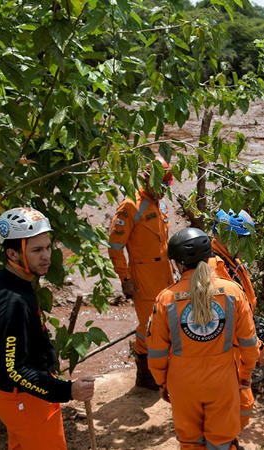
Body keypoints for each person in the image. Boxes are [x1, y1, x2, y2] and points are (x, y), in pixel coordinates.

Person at [0, 207, 95, 450]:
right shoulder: (13, 302)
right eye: (36, 250)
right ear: (12, 253)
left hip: (13, 395)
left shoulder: (3, 280)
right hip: (24, 399)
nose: (46, 256)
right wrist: (67, 390)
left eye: (47, 247)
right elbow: (15, 369)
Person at [147, 227, 259, 450]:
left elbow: (156, 352)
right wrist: (244, 377)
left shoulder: (166, 299)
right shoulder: (232, 292)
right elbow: (249, 344)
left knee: (190, 442)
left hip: (183, 385)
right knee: (222, 442)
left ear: (179, 263)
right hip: (223, 383)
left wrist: (162, 382)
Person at [108, 160, 175, 389]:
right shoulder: (130, 206)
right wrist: (125, 278)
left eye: (166, 186)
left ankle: (161, 370)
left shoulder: (161, 204)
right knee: (148, 325)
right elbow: (115, 247)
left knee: (166, 321)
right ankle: (146, 377)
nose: (162, 191)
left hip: (165, 274)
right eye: (160, 185)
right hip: (144, 277)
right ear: (148, 180)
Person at [210, 209, 264, 433]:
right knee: (237, 405)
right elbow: (229, 318)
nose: (247, 246)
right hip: (228, 353)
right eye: (243, 240)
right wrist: (258, 346)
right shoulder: (216, 269)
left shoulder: (229, 261)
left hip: (236, 347)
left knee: (240, 405)